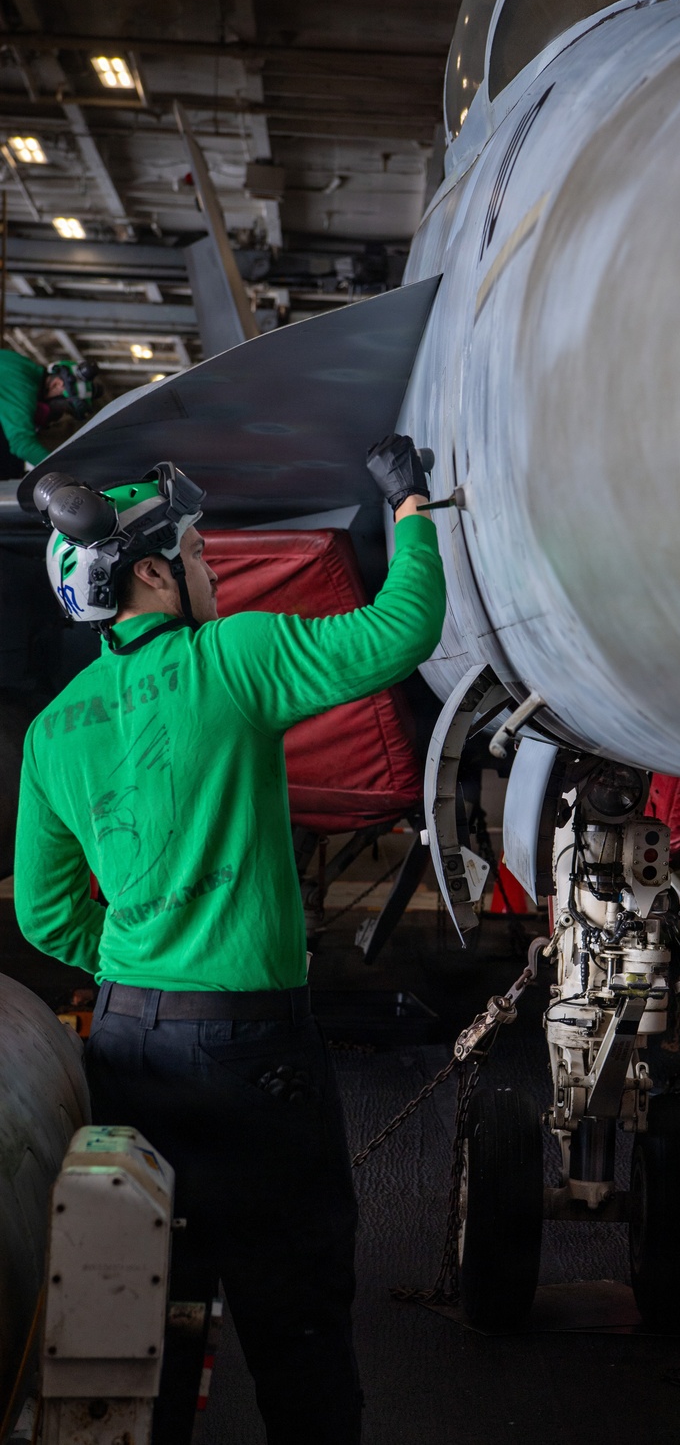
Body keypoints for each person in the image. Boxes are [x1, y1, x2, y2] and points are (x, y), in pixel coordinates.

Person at [14, 436, 445, 1444]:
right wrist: (411, 506)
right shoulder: (234, 660)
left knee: (136, 1313)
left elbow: (45, 914)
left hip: (126, 1046)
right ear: (154, 569)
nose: (210, 567)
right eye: (199, 553)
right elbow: (402, 628)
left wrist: (140, 960)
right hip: (253, 1057)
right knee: (295, 1317)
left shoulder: (52, 730)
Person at [0, 348, 103, 477]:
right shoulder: (23, 388)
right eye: (63, 409)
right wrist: (69, 475)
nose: (57, 417)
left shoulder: (22, 365)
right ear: (56, 384)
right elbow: (22, 444)